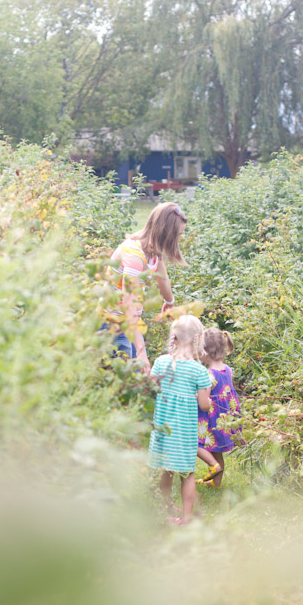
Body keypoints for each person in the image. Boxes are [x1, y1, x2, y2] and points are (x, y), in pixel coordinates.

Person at [104, 202, 187, 372]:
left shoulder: (152, 248)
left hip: (129, 321)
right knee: (127, 378)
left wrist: (169, 302)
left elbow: (162, 278)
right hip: (112, 322)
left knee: (136, 376)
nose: (179, 239)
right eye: (178, 234)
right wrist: (141, 353)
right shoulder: (134, 255)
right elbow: (129, 306)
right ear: (166, 233)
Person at [148, 315, 212, 524]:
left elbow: (152, 388)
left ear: (173, 337)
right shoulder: (199, 371)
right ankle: (185, 518)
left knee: (167, 470)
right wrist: (207, 400)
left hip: (163, 429)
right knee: (188, 474)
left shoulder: (160, 362)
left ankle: (165, 509)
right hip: (184, 432)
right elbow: (204, 404)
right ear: (198, 339)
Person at [196, 328, 241, 489]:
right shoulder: (227, 369)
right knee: (217, 451)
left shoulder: (208, 374)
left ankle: (213, 465)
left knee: (194, 443)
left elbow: (204, 398)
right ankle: (216, 483)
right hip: (224, 417)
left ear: (206, 352)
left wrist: (192, 394)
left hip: (211, 418)